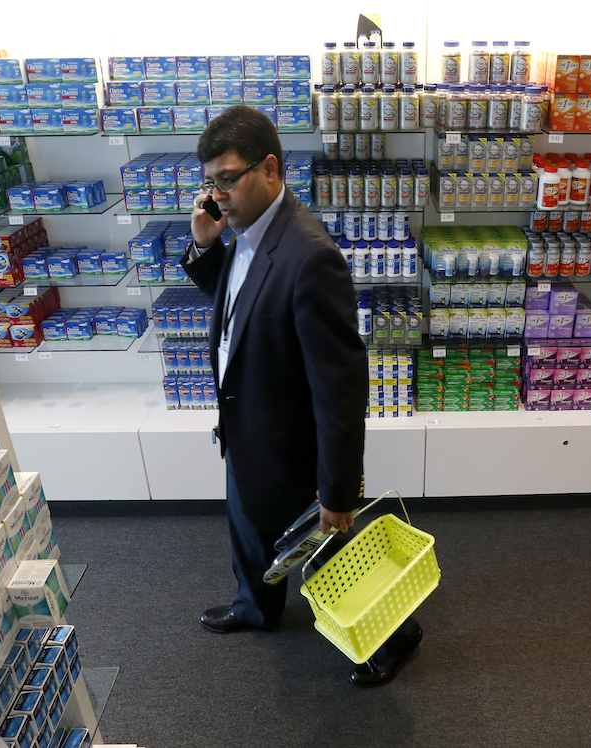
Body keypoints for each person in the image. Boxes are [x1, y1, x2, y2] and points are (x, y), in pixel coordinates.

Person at [181, 105, 422, 687]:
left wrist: (338, 487)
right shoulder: (244, 230)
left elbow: (340, 387)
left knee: (330, 554)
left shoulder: (309, 254)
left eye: (227, 179)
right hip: (249, 425)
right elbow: (243, 306)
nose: (217, 195)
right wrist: (206, 246)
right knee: (247, 524)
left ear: (269, 168)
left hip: (294, 446)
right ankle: (256, 608)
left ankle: (394, 637)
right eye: (209, 182)